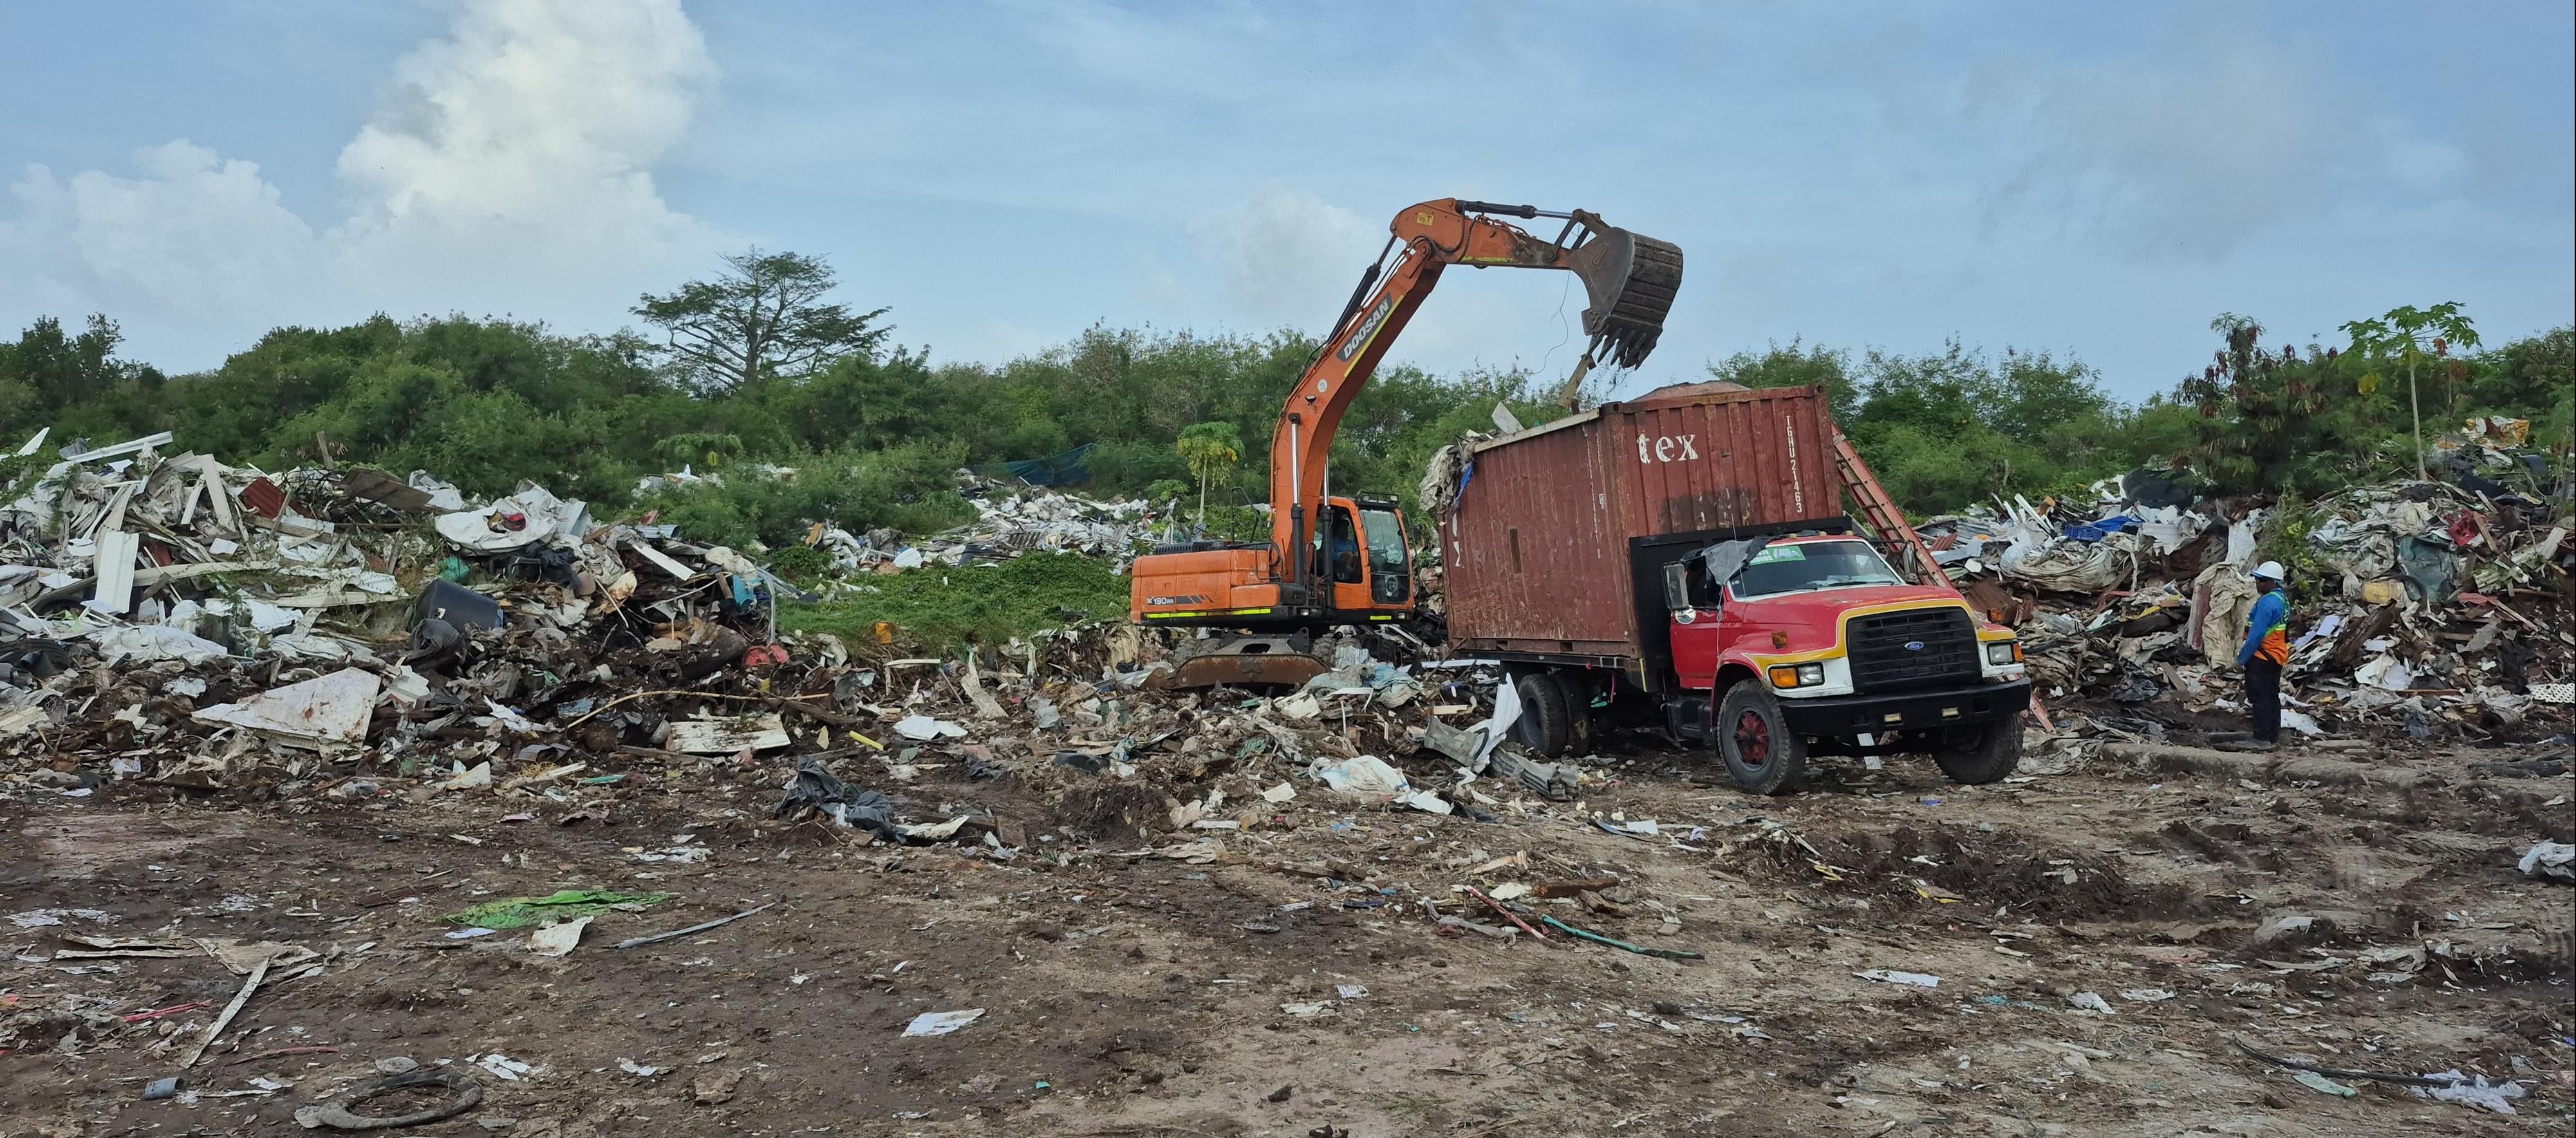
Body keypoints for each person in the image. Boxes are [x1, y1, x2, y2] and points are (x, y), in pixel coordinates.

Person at [2237, 561, 2291, 749]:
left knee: (2259, 698)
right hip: (2276, 656)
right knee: (2272, 696)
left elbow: (2256, 635)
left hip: (2261, 656)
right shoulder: (2283, 600)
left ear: (2272, 582)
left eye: (2261, 580)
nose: (2257, 583)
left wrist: (2242, 659)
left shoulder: (2268, 602)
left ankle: (2261, 738)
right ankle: (2272, 735)